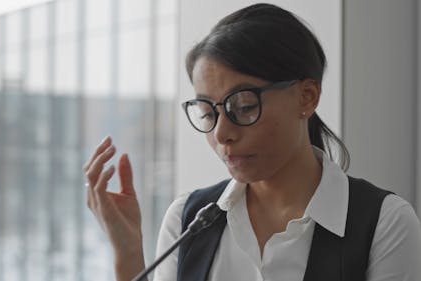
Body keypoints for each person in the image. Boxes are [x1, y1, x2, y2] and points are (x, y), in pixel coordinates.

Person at [83, 3, 421, 281]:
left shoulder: (383, 223)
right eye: (207, 112)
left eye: (243, 106)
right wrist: (128, 254)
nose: (221, 134)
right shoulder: (188, 219)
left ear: (307, 97)